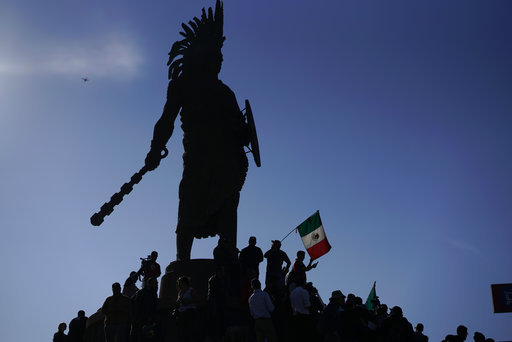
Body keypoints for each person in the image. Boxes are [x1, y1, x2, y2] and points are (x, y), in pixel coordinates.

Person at [144, 0, 250, 261]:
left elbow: (240, 128)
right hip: (198, 158)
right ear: (203, 55)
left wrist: (245, 135)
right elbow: (166, 120)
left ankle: (227, 254)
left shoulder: (226, 93)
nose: (221, 59)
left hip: (225, 160)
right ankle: (183, 261)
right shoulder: (183, 85)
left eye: (221, 55)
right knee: (189, 206)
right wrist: (155, 149)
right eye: (216, 54)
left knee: (228, 202)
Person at [132, 277, 159, 341]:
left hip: (150, 320)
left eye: (156, 283)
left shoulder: (154, 293)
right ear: (149, 284)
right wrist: (137, 319)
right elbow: (136, 306)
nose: (156, 285)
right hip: (141, 320)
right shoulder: (141, 293)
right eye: (155, 283)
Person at [176, 276, 200, 342]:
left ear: (184, 283)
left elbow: (197, 299)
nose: (178, 284)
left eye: (180, 283)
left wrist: (188, 301)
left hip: (190, 313)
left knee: (190, 332)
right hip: (181, 314)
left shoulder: (191, 290)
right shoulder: (180, 293)